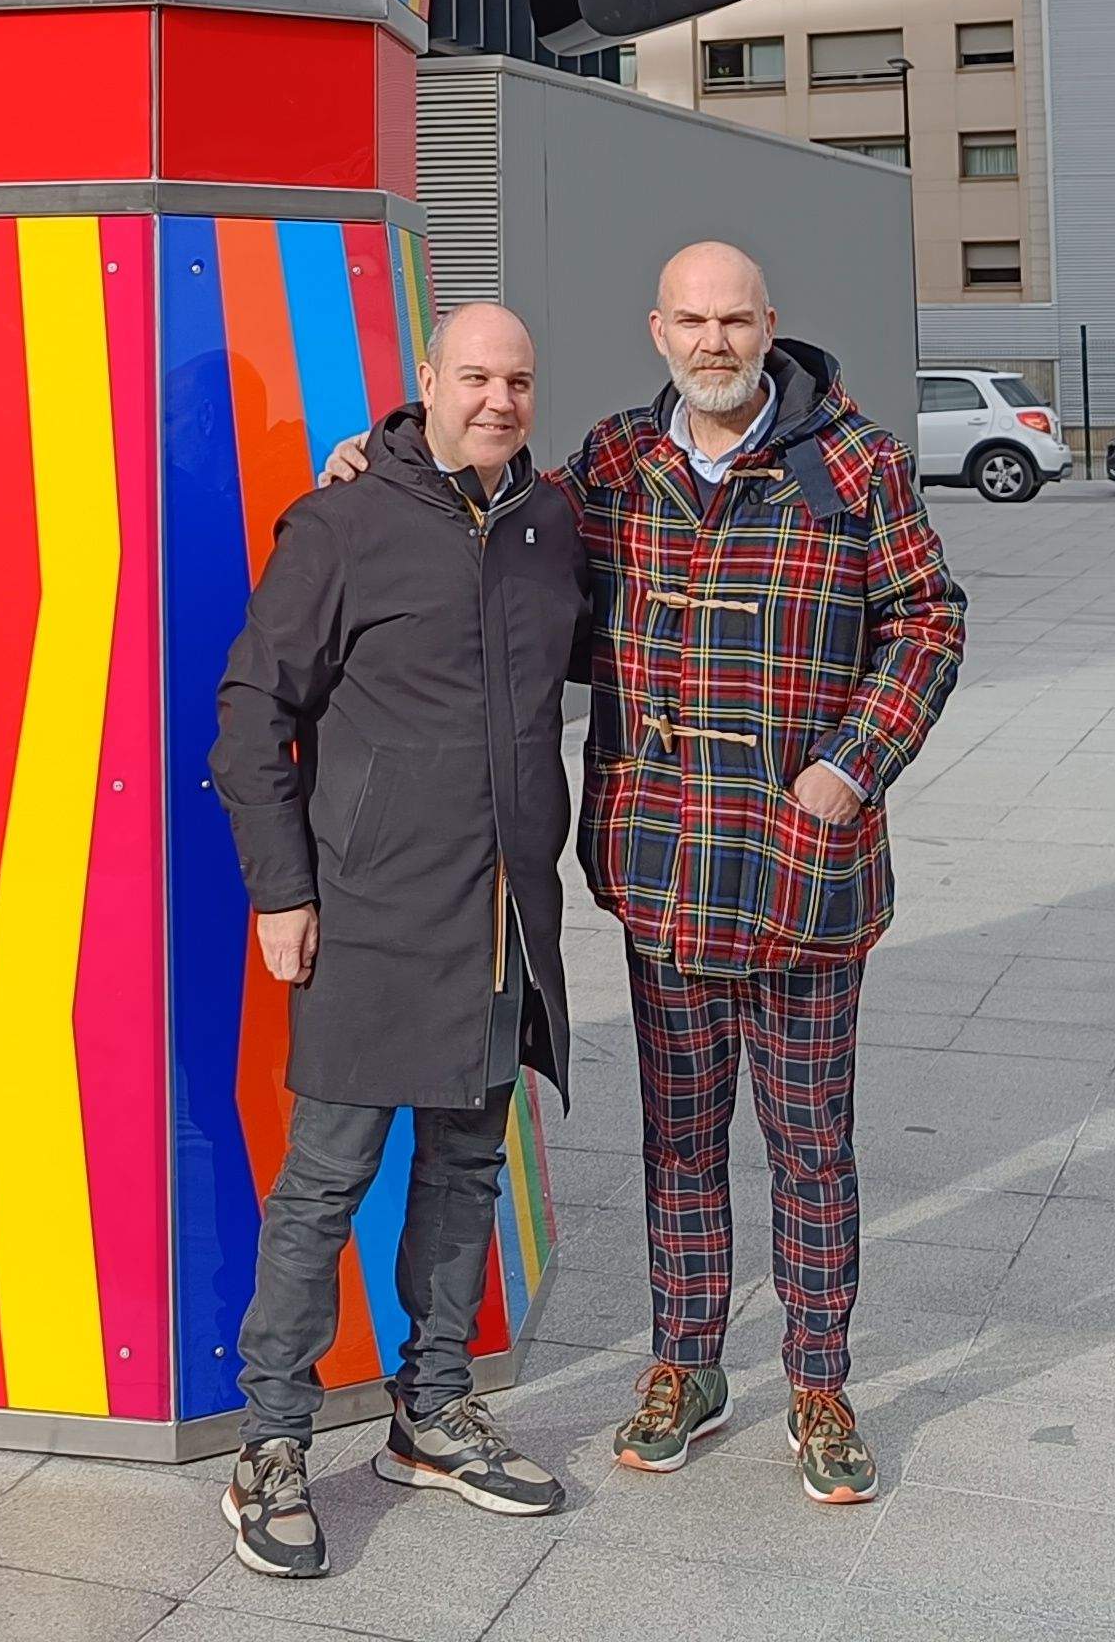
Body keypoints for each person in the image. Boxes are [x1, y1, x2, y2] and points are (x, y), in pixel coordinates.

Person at [320, 241, 967, 1507]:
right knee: (677, 1141)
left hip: (804, 873)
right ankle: (684, 1367)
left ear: (768, 325)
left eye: (734, 320)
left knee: (809, 1146)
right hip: (666, 870)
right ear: (657, 331)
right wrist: (386, 456)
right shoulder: (617, 461)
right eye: (691, 321)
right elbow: (492, 515)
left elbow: (927, 620)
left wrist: (853, 763)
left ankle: (819, 1384)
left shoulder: (858, 463)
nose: (713, 341)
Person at [207, 302, 586, 1580]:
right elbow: (250, 710)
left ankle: (432, 1414)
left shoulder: (549, 524)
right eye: (474, 376)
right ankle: (270, 1444)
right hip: (370, 914)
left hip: (500, 915)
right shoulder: (342, 524)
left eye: (517, 381)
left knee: (466, 1165)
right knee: (325, 1180)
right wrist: (281, 890)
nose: (497, 400)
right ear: (426, 380)